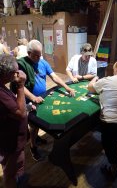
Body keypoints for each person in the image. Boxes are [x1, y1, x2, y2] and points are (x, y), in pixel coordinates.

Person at [14, 39, 75, 161]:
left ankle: (35, 138)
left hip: (42, 97)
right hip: (28, 100)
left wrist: (67, 87)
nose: (38, 57)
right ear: (28, 52)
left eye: (40, 54)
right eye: (35, 55)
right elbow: (20, 86)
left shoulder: (43, 62)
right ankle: (33, 147)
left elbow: (54, 77)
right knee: (34, 126)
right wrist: (33, 97)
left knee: (39, 122)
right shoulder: (21, 64)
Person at [0, 54, 27, 188]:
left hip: (12, 140)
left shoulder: (3, 85)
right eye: (15, 72)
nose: (18, 74)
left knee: (15, 167)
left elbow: (13, 107)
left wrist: (24, 106)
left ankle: (18, 179)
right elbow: (21, 114)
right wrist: (21, 86)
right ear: (6, 74)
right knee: (9, 174)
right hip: (10, 142)